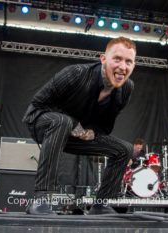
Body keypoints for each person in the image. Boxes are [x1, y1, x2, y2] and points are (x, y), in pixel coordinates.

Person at [22, 36, 137, 215]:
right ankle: (40, 201)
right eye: (117, 59)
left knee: (125, 149)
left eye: (129, 61)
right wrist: (74, 124)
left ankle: (100, 205)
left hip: (74, 135)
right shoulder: (76, 73)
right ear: (103, 59)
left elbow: (105, 127)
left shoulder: (126, 88)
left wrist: (92, 133)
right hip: (40, 122)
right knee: (62, 122)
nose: (123, 67)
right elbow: (38, 104)